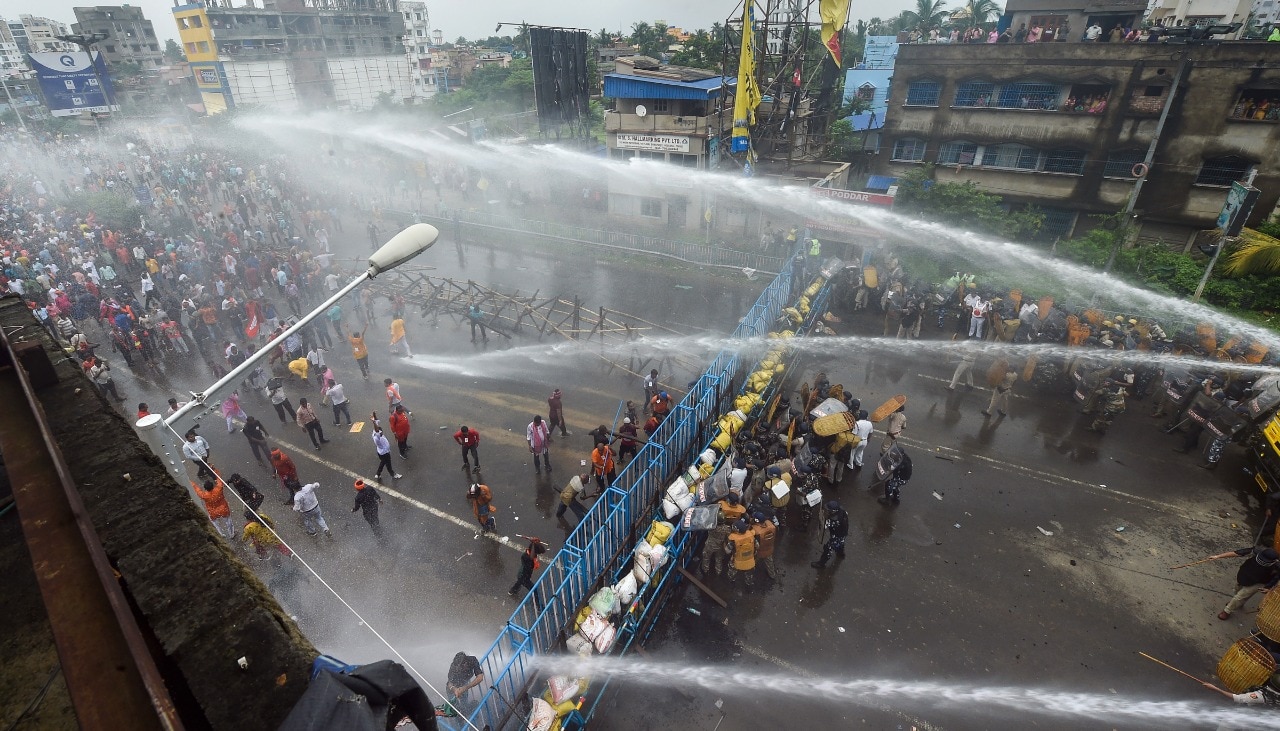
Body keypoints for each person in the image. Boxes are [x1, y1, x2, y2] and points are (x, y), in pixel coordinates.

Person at [1211, 547, 1280, 619]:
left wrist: (1268, 587)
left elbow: (1276, 578)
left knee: (1240, 596)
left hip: (1259, 582)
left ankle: (1227, 611)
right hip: (1245, 575)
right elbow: (1236, 553)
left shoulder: (1277, 566)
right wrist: (1217, 556)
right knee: (1237, 590)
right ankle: (1236, 604)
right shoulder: (1255, 551)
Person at [812, 501, 850, 569]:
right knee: (841, 543)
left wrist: (821, 518)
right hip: (843, 532)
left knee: (828, 548)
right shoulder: (841, 510)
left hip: (838, 534)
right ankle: (840, 553)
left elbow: (824, 525)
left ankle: (821, 564)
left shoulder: (835, 520)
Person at [446, 652, 485, 717]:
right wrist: (455, 689)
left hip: (463, 686)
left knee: (464, 708)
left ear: (465, 663)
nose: (459, 669)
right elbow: (449, 683)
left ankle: (473, 707)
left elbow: (480, 677)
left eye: (461, 667)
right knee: (456, 709)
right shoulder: (453, 667)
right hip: (453, 689)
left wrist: (465, 688)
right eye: (457, 667)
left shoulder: (472, 660)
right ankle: (459, 720)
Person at [725, 519, 758, 589]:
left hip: (737, 561)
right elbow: (757, 546)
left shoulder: (733, 540)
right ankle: (749, 584)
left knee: (732, 569)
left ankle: (732, 581)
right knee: (749, 573)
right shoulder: (751, 535)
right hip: (750, 560)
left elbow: (727, 551)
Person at [751, 511, 778, 579]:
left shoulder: (755, 530)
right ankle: (772, 575)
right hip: (769, 549)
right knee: (769, 563)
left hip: (759, 551)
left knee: (753, 563)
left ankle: (750, 575)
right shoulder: (771, 525)